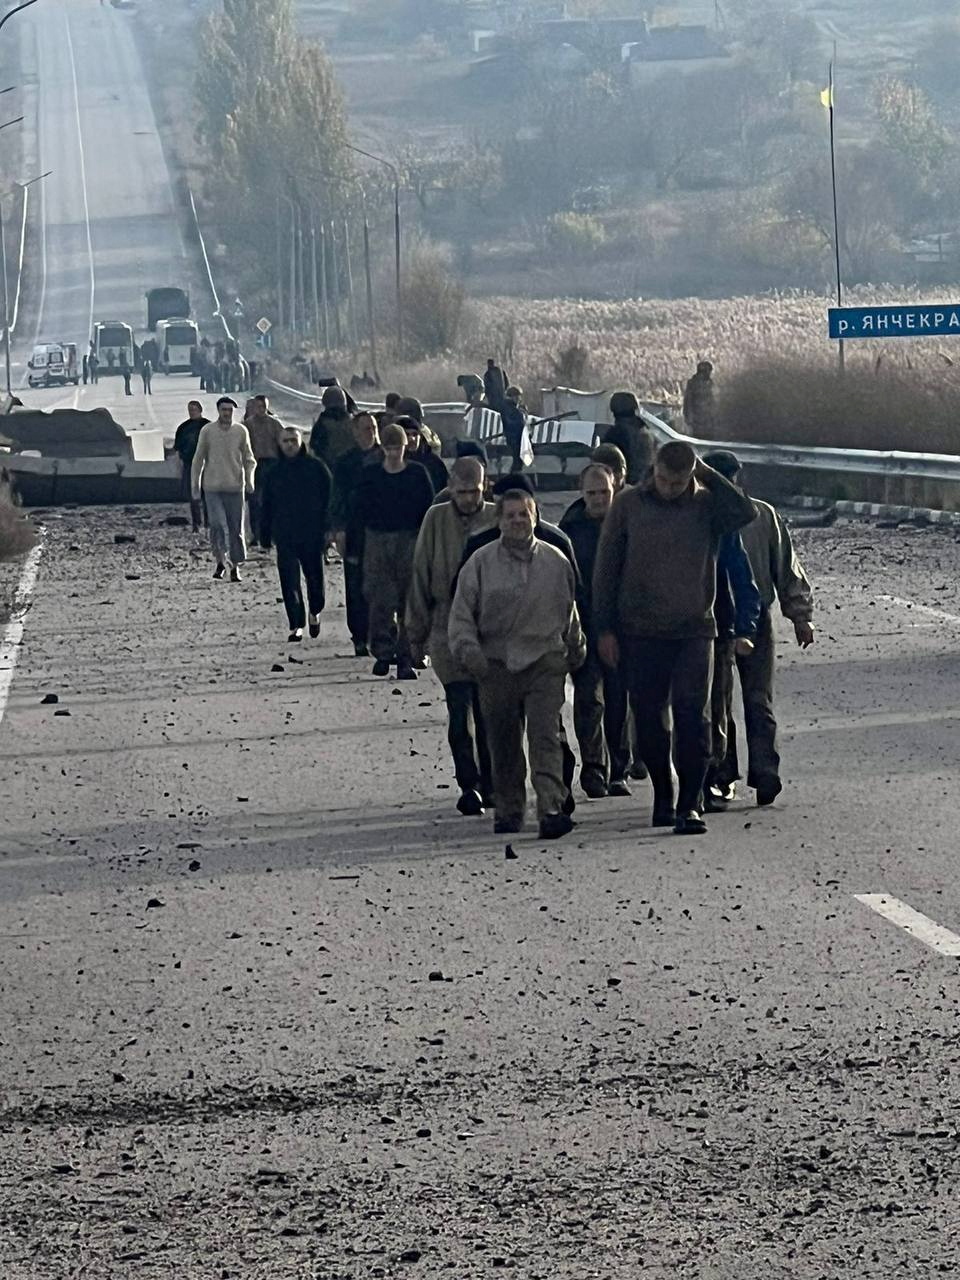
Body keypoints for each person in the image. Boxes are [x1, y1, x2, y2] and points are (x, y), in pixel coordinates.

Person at [594, 440, 756, 836]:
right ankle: (663, 795)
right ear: (654, 470)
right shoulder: (628, 505)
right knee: (649, 719)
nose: (670, 487)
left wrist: (703, 472)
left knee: (692, 718)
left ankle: (690, 804)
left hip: (694, 630)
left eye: (678, 481)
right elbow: (606, 570)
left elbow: (744, 511)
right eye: (665, 480)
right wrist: (605, 629)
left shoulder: (706, 505)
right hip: (641, 630)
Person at [449, 488, 586, 840]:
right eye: (509, 515)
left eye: (523, 514)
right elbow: (461, 616)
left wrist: (576, 646)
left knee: (546, 737)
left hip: (544, 660)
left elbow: (567, 610)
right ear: (499, 521)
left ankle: (551, 808)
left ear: (535, 517)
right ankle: (509, 809)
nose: (517, 521)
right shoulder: (479, 563)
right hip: (495, 663)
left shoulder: (556, 562)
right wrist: (470, 654)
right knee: (503, 742)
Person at [702, 450, 815, 807]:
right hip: (713, 618)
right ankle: (722, 772)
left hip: (756, 618)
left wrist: (800, 615)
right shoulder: (697, 517)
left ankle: (766, 772)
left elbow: (786, 566)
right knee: (717, 701)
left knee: (757, 698)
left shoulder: (763, 516)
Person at [406, 457, 497, 815]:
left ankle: (493, 780)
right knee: (460, 709)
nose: (468, 499)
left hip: (491, 627)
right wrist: (416, 632)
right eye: (461, 492)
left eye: (474, 492)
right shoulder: (436, 519)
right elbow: (420, 574)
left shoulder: (495, 517)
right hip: (446, 624)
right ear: (450, 487)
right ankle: (468, 782)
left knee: (491, 710)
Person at [560, 464, 631, 799]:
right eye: (592, 493)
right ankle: (594, 768)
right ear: (581, 492)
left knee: (619, 699)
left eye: (604, 491)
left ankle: (619, 767)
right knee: (589, 699)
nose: (599, 498)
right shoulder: (569, 530)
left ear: (614, 487)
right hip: (583, 625)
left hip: (624, 626)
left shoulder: (628, 524)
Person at [354, 422, 435, 679]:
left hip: (410, 539)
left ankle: (406, 655)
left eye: (397, 447)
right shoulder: (370, 476)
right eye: (388, 448)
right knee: (380, 599)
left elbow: (429, 511)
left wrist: (428, 546)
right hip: (377, 540)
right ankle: (382, 651)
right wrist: (355, 547)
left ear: (404, 448)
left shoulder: (417, 475)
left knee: (410, 600)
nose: (392, 453)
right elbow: (358, 513)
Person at [703, 530, 761, 812]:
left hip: (718, 628)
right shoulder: (657, 515)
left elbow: (742, 577)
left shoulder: (721, 526)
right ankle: (692, 776)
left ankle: (718, 773)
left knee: (717, 705)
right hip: (670, 627)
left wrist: (745, 628)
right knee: (682, 707)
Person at [260, 427, 332, 642]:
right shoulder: (273, 472)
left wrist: (330, 529)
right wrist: (264, 535)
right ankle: (296, 624)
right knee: (289, 581)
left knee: (315, 579)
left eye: (293, 440)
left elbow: (330, 499)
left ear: (301, 443)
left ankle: (314, 612)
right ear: (280, 444)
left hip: (313, 533)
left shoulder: (317, 467)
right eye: (285, 441)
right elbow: (266, 506)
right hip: (285, 535)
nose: (290, 445)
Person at [330, 412, 382, 656]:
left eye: (373, 427)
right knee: (355, 585)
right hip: (354, 530)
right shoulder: (345, 462)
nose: (370, 432)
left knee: (382, 585)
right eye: (365, 428)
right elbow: (337, 498)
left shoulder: (386, 457)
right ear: (355, 432)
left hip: (381, 529)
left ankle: (381, 634)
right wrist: (337, 529)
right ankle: (359, 636)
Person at [191, 396, 256, 583]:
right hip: (212, 487)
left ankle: (235, 566)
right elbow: (198, 460)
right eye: (224, 409)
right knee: (217, 525)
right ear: (218, 411)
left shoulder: (240, 431)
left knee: (236, 528)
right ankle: (220, 561)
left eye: (230, 410)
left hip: (235, 486)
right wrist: (195, 487)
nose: (227, 413)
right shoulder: (208, 431)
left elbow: (249, 459)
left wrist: (250, 480)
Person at [245, 393, 284, 543]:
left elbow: (282, 444)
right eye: (258, 407)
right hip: (255, 465)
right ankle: (256, 534)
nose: (261, 410)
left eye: (263, 407)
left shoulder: (274, 424)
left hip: (272, 464)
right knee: (255, 502)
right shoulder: (248, 425)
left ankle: (273, 534)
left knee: (272, 500)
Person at [601, 391, 655, 486]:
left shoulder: (616, 434)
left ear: (613, 411)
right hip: (646, 485)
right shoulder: (645, 430)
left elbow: (605, 465)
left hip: (628, 486)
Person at [173, 400, 210, 533]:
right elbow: (177, 449)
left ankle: (208, 522)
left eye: (194, 409)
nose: (192, 412)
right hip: (190, 464)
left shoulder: (208, 426)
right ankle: (196, 523)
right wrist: (179, 466)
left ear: (200, 410)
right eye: (190, 410)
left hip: (207, 464)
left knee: (207, 495)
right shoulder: (183, 428)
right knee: (193, 495)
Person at [398, 414, 447, 494]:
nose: (412, 439)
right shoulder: (392, 462)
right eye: (407, 434)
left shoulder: (434, 462)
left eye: (415, 434)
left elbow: (444, 490)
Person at [309, 386, 354, 465]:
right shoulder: (353, 422)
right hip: (352, 466)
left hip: (330, 467)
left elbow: (315, 449)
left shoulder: (321, 424)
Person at [683, 361, 716, 435]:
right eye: (708, 372)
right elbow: (688, 401)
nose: (709, 374)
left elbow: (713, 400)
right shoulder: (693, 383)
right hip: (697, 419)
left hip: (708, 419)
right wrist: (689, 418)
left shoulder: (710, 383)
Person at [500, 385, 528, 474]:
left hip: (517, 438)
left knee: (518, 461)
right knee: (517, 461)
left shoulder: (514, 407)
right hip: (514, 439)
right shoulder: (509, 408)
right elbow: (514, 423)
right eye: (516, 396)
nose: (518, 398)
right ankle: (515, 475)